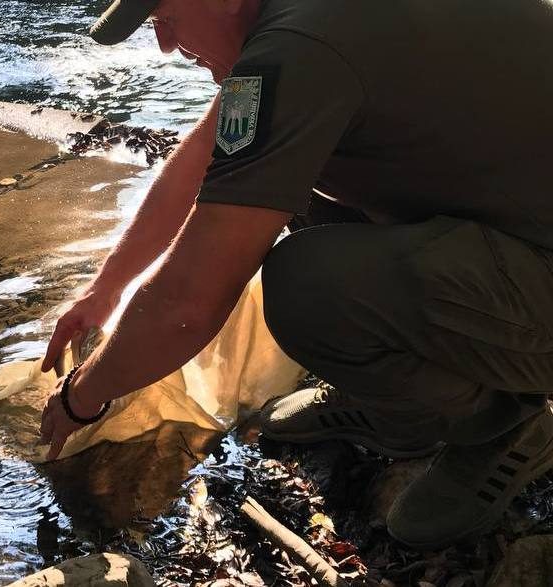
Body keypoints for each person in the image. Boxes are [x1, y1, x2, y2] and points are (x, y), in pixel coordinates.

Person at [40, 0, 553, 549]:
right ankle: (400, 400)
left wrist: (84, 396)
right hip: (520, 220)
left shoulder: (300, 48)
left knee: (307, 287)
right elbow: (198, 169)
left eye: (165, 17)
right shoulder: (304, 21)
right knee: (281, 179)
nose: (164, 44)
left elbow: (186, 306)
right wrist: (105, 288)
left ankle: (503, 423)